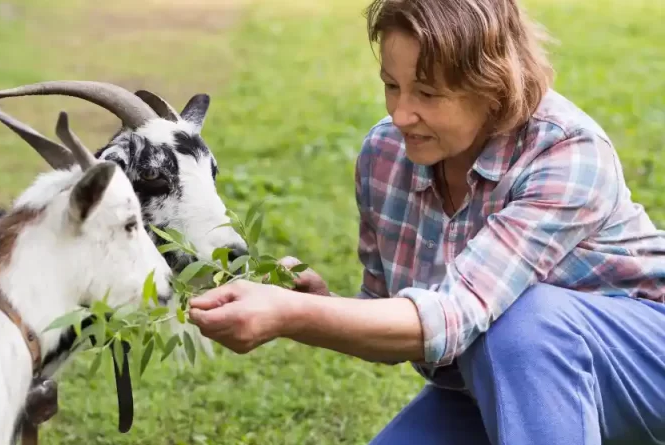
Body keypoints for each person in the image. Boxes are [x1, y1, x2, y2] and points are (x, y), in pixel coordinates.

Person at [188, 0, 665, 443]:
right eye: (391, 85)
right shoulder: (385, 157)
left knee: (524, 320)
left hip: (643, 365)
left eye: (428, 93)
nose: (399, 114)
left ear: (492, 85)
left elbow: (454, 315)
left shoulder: (567, 153)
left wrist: (290, 314)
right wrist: (320, 308)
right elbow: (400, 327)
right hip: (502, 380)